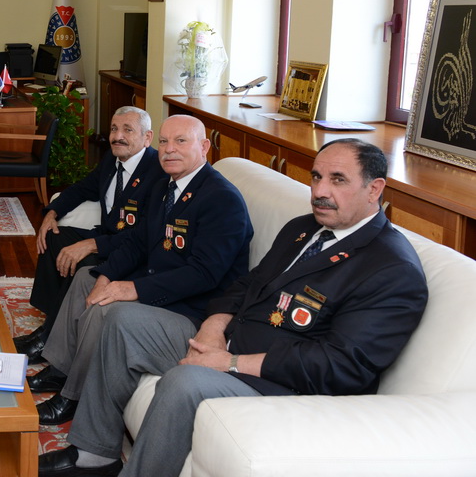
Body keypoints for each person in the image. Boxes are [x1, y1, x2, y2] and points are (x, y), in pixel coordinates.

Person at [38, 138, 429, 477]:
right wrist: (212, 328)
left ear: (375, 189)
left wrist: (230, 362)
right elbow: (246, 284)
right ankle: (94, 454)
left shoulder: (392, 269)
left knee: (185, 382)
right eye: (316, 177)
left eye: (338, 180)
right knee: (123, 319)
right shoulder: (304, 228)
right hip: (227, 341)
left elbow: (339, 366)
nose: (320, 191)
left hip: (277, 384)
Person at [32, 114, 252, 426]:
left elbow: (203, 274)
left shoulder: (222, 199)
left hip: (191, 309)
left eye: (180, 141)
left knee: (105, 309)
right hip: (159, 284)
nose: (169, 149)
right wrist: (106, 275)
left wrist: (132, 289)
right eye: (164, 141)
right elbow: (138, 241)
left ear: (204, 147)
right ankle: (60, 369)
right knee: (86, 278)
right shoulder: (165, 186)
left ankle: (73, 397)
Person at [14, 106, 163, 361]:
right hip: (106, 235)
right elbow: (84, 188)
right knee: (54, 237)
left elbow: (145, 234)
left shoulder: (158, 172)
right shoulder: (112, 159)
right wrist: (52, 212)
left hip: (131, 250)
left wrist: (92, 244)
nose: (118, 136)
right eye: (114, 129)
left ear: (147, 137)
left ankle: (48, 341)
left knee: (83, 262)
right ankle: (51, 323)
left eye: (128, 130)